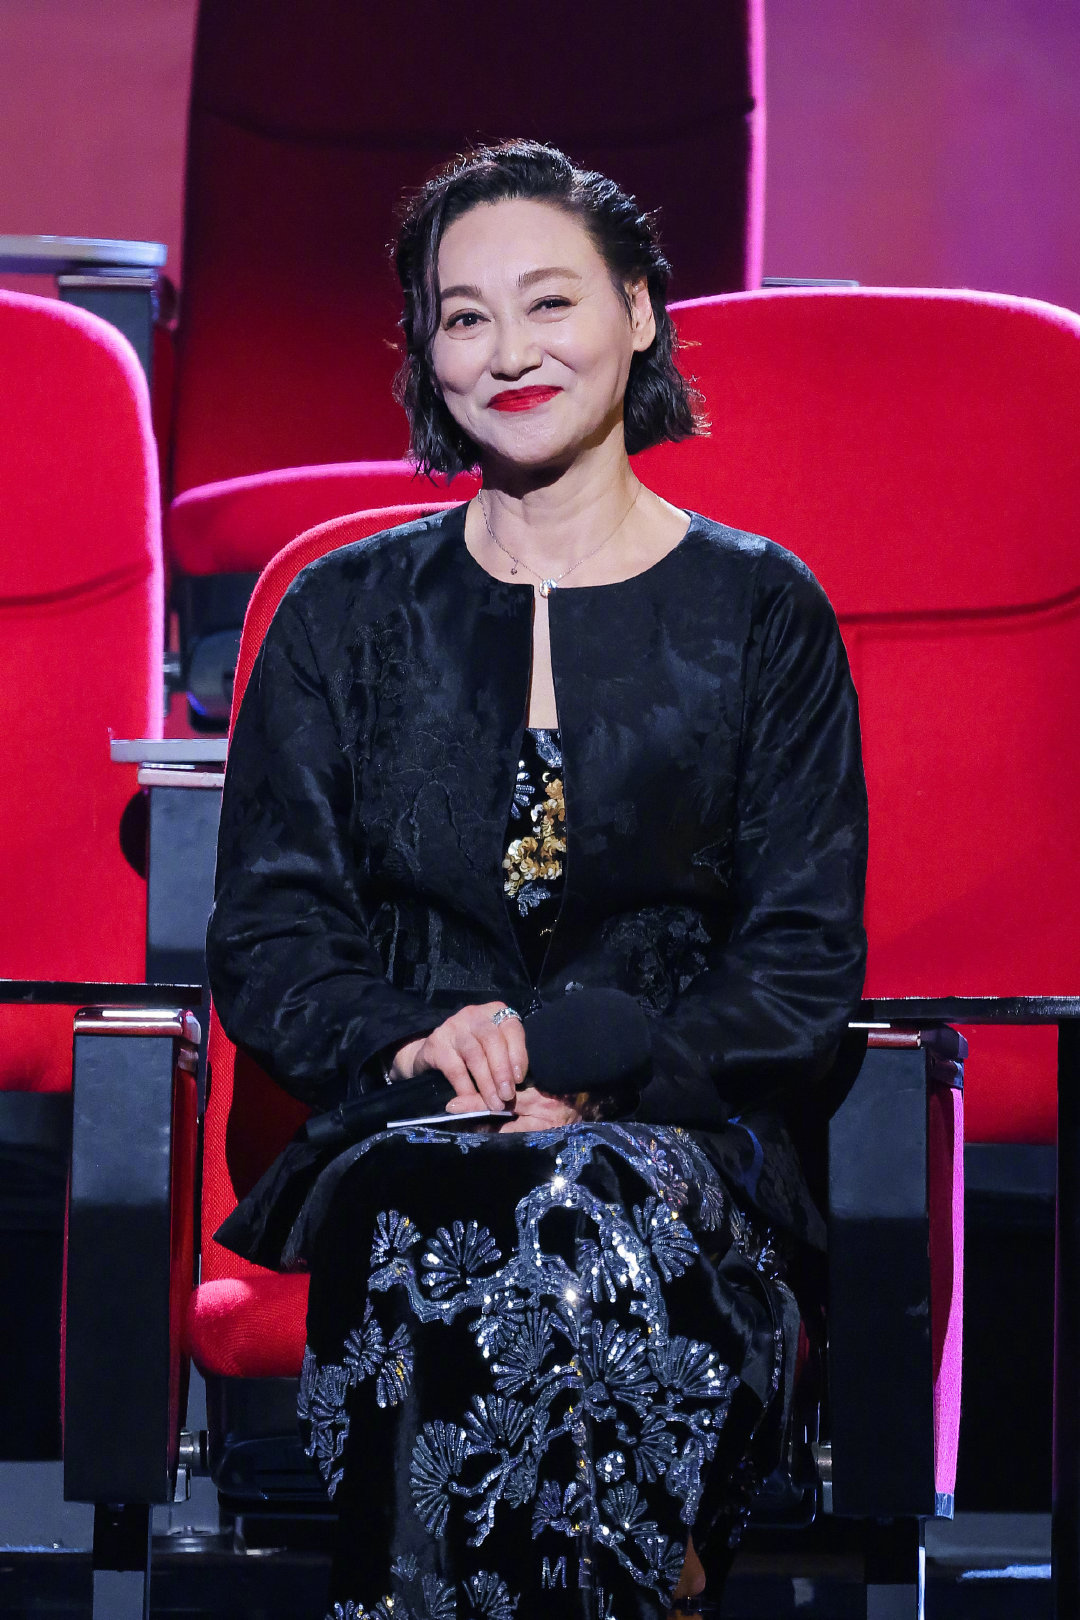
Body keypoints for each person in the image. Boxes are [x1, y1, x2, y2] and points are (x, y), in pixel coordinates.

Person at [206, 139, 868, 1620]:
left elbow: (802, 961)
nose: (509, 352)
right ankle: (650, 1574)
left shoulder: (764, 613)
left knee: (573, 1208)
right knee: (481, 1215)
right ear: (425, 351)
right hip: (414, 1135)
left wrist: (595, 1067)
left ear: (639, 312)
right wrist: (417, 1042)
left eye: (550, 302)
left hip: (686, 1150)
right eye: (465, 316)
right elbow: (271, 939)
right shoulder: (337, 617)